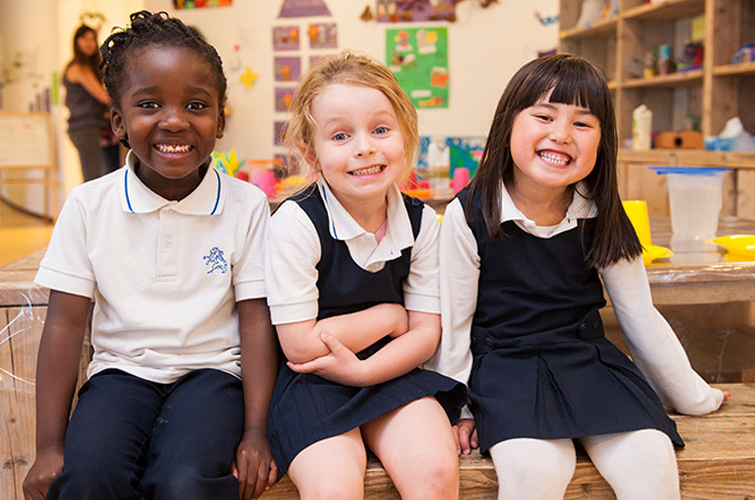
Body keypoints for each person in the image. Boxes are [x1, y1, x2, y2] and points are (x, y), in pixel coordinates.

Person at [430, 53, 728, 499]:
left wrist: (691, 396)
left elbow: (639, 315)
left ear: (603, 142)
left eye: (583, 124)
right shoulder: (469, 212)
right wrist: (457, 407)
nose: (561, 134)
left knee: (651, 459)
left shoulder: (602, 212)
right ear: (507, 124)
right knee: (535, 472)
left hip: (589, 363)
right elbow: (453, 324)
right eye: (544, 115)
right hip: (505, 369)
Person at [22, 11, 278, 500]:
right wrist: (49, 446)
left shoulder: (247, 206)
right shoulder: (88, 205)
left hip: (212, 377)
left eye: (197, 104)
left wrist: (255, 432)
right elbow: (64, 326)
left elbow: (255, 322)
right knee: (88, 478)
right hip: (119, 375)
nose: (175, 119)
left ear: (221, 120)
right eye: (149, 104)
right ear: (118, 121)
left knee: (186, 484)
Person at [265, 51, 467, 499]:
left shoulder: (420, 223)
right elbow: (300, 346)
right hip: (312, 383)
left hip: (391, 372)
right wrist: (392, 317)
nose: (365, 147)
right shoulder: (296, 223)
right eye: (340, 135)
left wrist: (364, 369)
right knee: (333, 486)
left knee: (436, 473)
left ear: (406, 134)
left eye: (380, 129)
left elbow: (426, 335)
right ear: (309, 152)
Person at [63, 24, 118, 182]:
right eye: (84, 38)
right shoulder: (79, 68)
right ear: (76, 42)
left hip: (89, 127)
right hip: (85, 127)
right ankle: (91, 208)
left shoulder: (83, 67)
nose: (89, 43)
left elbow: (65, 102)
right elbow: (104, 97)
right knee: (93, 178)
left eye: (92, 39)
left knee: (100, 176)